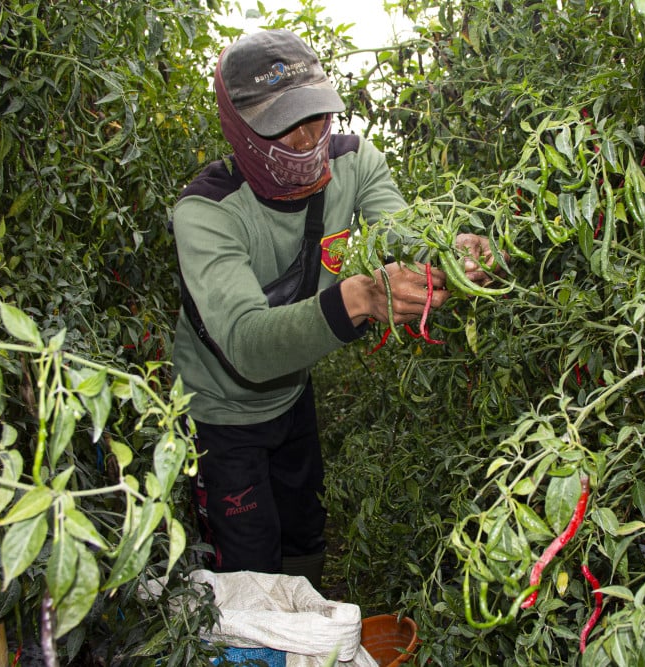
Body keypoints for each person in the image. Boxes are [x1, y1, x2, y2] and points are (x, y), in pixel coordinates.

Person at [171, 29, 500, 589]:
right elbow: (249, 345)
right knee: (249, 566)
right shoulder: (207, 212)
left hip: (293, 394)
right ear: (239, 131)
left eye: (316, 116)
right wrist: (361, 298)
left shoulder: (353, 164)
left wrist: (451, 250)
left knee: (305, 531)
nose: (306, 138)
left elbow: (403, 233)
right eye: (282, 124)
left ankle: (308, 622)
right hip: (222, 415)